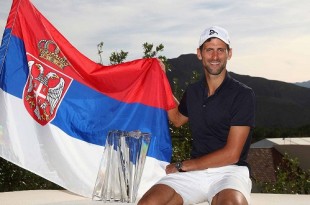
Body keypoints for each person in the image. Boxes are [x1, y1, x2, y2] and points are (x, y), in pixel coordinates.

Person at [138, 26, 255, 205]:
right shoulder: (193, 92)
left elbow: (232, 154)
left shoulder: (243, 95)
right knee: (149, 202)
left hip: (230, 171)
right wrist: (160, 79)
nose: (215, 57)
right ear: (199, 54)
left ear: (229, 54)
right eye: (209, 50)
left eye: (220, 50)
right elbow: (177, 119)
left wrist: (183, 165)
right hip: (195, 174)